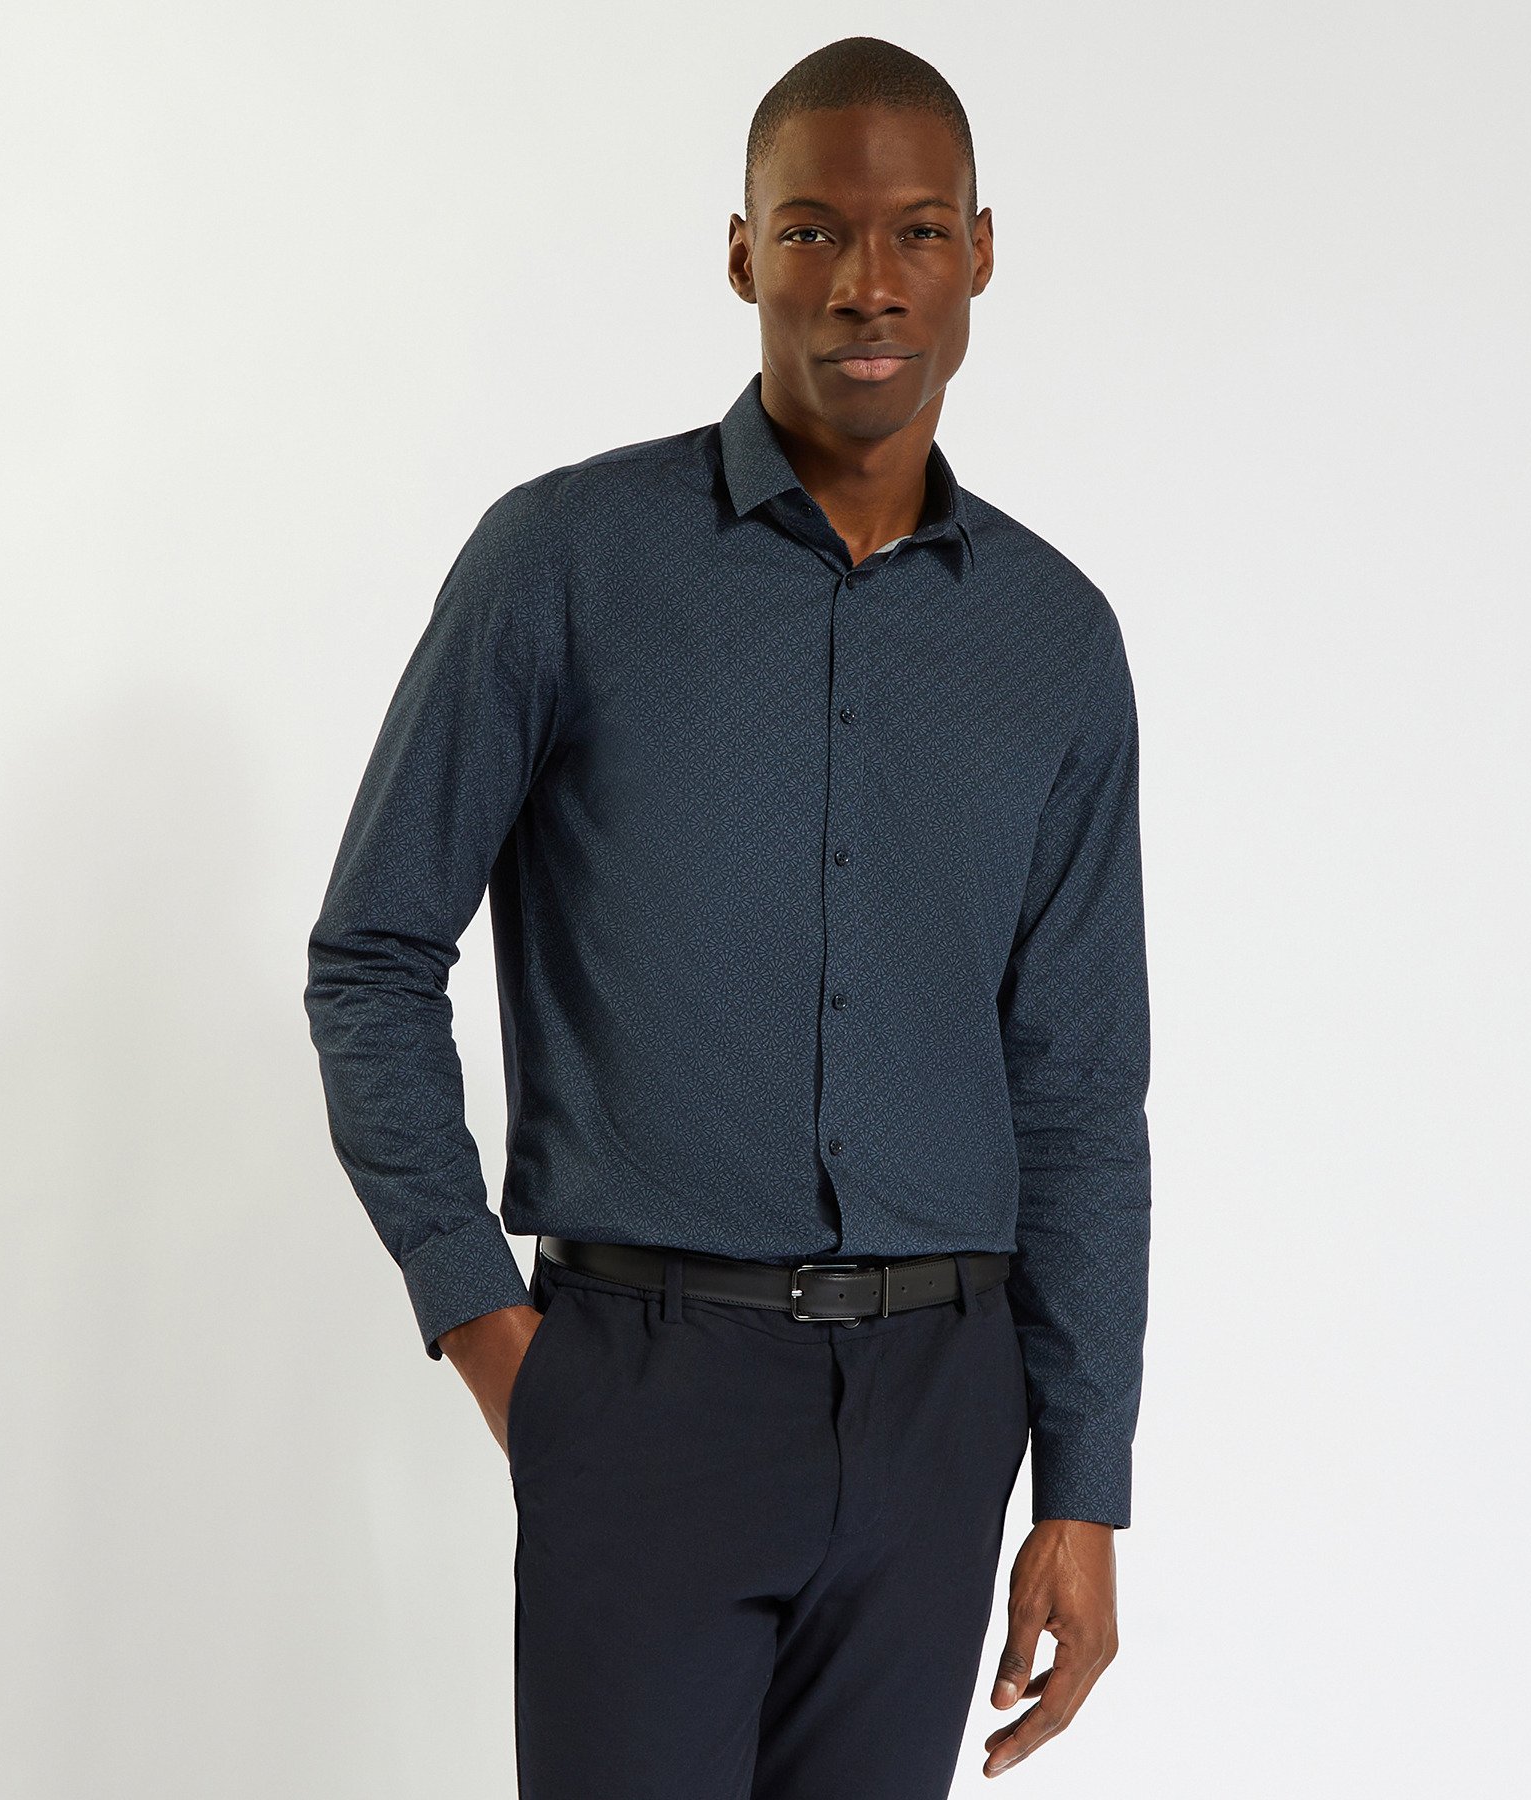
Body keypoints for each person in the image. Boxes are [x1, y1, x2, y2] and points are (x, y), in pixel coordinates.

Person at [304, 34, 1151, 1798]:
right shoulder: (564, 562)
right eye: (815, 229)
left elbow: (1077, 1089)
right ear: (745, 251)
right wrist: (491, 1332)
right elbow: (372, 958)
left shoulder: (1056, 642)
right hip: (644, 1391)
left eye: (918, 232)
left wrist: (1082, 1487)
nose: (867, 283)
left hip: (945, 1409)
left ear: (982, 254)